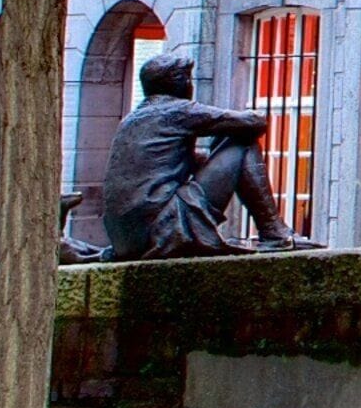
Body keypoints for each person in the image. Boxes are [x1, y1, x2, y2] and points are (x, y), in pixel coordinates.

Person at [101, 50, 321, 258]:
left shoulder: (133, 119)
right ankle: (274, 232)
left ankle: (274, 231)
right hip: (164, 229)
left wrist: (218, 163)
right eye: (189, 79)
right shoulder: (177, 110)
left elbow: (167, 167)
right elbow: (253, 123)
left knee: (227, 142)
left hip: (127, 242)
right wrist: (256, 114)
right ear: (182, 82)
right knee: (242, 142)